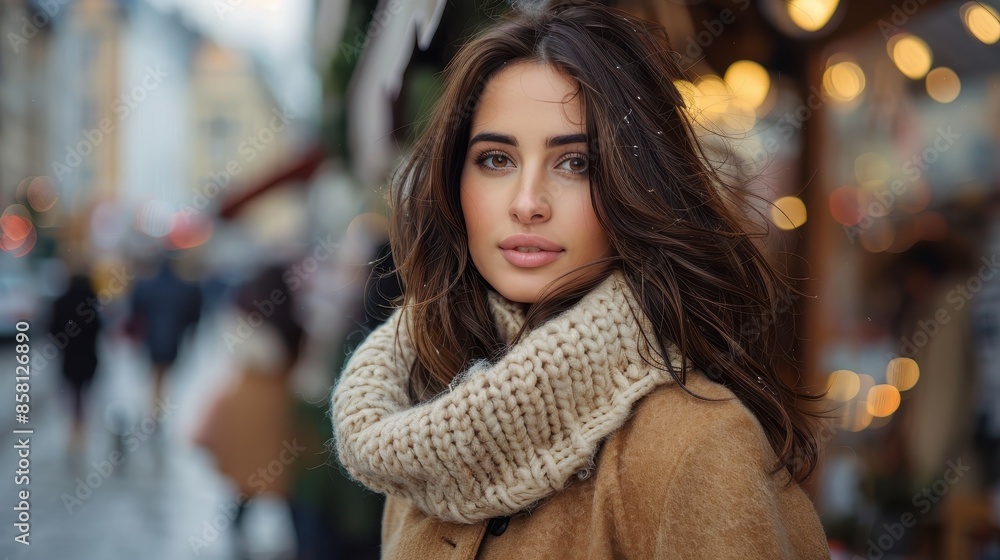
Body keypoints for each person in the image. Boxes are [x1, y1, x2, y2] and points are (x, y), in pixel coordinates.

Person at [331, 1, 830, 558]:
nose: (527, 203)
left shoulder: (697, 446)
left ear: (634, 187)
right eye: (496, 159)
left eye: (576, 164)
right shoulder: (426, 433)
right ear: (455, 186)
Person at [48, 271, 104, 458]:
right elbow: (99, 329)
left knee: (73, 393)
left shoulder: (61, 302)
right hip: (88, 357)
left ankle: (74, 430)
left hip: (69, 357)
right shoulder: (91, 304)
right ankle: (80, 430)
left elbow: (53, 329)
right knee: (84, 394)